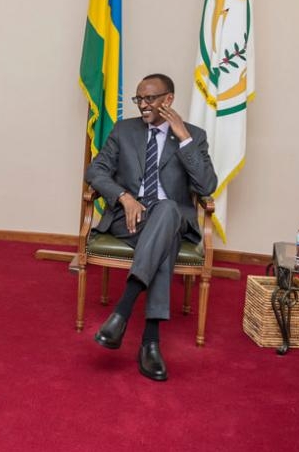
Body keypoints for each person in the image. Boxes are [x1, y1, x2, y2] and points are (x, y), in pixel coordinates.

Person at [85, 73, 217, 381]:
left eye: (150, 99)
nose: (143, 105)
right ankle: (149, 342)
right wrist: (124, 196)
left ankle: (123, 312)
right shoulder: (124, 130)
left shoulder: (193, 136)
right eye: (138, 99)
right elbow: (97, 169)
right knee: (165, 240)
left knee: (168, 210)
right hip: (128, 219)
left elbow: (207, 184)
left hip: (171, 218)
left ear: (168, 100)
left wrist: (182, 137)